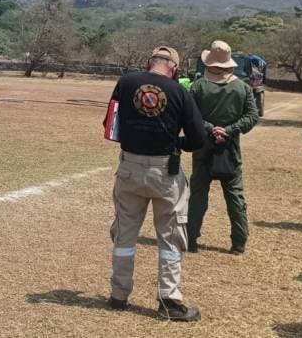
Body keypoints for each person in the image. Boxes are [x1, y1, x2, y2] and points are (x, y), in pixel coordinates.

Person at [105, 46, 207, 322]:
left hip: (129, 167)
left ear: (149, 62)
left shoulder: (125, 83)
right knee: (170, 237)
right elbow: (198, 139)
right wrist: (177, 143)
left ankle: (118, 294)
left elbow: (110, 126)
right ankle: (169, 301)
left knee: (125, 235)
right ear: (173, 68)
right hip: (165, 172)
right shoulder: (179, 92)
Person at [187, 40, 260, 255]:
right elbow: (252, 116)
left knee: (198, 194)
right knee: (235, 196)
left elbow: (192, 116)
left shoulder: (198, 87)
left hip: (203, 148)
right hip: (231, 149)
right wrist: (229, 130)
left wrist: (211, 129)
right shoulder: (243, 88)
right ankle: (239, 242)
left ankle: (191, 239)